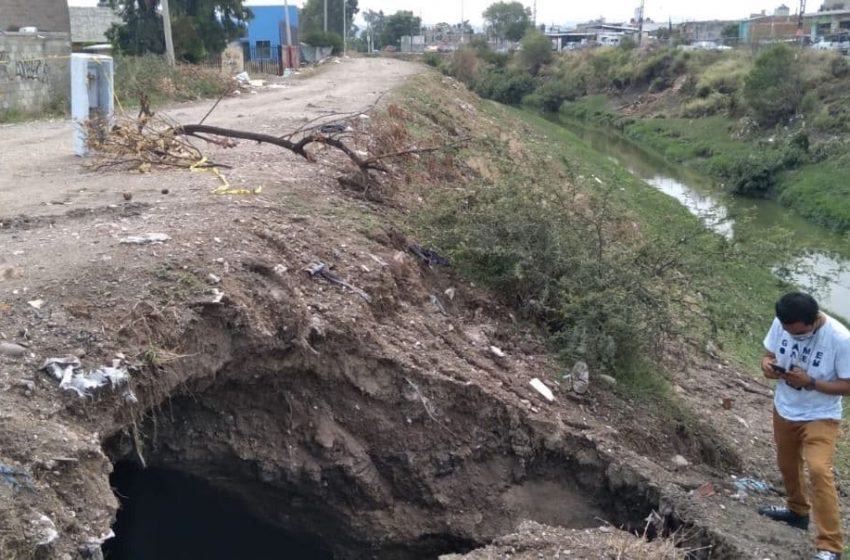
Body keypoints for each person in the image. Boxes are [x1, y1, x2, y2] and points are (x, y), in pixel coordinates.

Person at [759, 292, 850, 560]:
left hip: (820, 414)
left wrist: (810, 382)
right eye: (788, 332)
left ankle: (830, 546)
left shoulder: (840, 339)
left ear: (813, 321)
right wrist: (767, 365)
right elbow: (769, 353)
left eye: (798, 334)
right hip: (785, 407)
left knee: (820, 470)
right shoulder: (782, 322)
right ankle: (797, 512)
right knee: (787, 464)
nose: (792, 336)